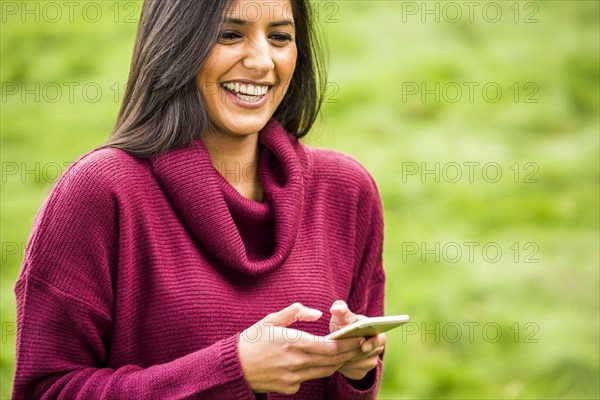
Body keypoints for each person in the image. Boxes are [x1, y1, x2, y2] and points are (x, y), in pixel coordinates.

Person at [12, 0, 387, 398]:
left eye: (280, 36)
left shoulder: (346, 192)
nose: (262, 61)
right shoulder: (100, 192)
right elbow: (47, 388)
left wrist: (355, 369)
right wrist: (231, 371)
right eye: (229, 34)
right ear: (176, 43)